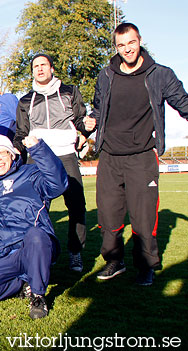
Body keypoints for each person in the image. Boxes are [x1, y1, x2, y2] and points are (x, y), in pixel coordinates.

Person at [89, 23, 188, 286]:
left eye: (131, 43)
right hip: (109, 157)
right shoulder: (106, 75)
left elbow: (183, 102)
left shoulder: (160, 74)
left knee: (143, 217)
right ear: (116, 47)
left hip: (142, 156)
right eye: (121, 45)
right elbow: (99, 109)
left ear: (139, 41)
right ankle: (114, 260)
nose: (127, 49)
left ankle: (146, 266)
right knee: (108, 215)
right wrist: (90, 122)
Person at [0, 134, 67, 320]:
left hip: (33, 247)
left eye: (2, 153)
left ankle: (37, 295)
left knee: (36, 235)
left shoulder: (30, 174)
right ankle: (22, 282)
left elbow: (58, 185)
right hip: (2, 251)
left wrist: (39, 149)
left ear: (13, 154)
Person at [14, 54, 91, 273]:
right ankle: (45, 251)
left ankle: (75, 252)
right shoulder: (25, 100)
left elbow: (80, 121)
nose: (39, 69)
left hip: (66, 154)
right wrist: (17, 149)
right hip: (37, 157)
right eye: (35, 66)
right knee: (38, 208)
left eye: (43, 65)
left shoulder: (70, 91)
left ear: (52, 68)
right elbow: (21, 133)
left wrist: (86, 129)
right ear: (32, 72)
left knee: (76, 205)